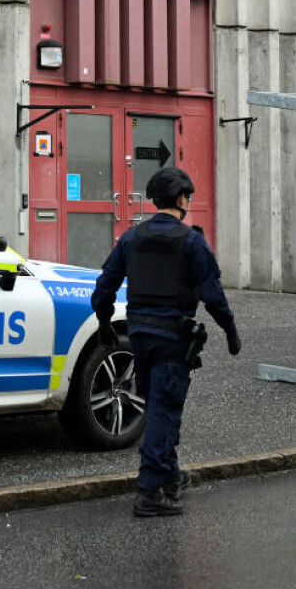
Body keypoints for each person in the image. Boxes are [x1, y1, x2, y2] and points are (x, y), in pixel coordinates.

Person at [90, 166, 240, 517]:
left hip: (140, 337)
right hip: (173, 338)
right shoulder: (191, 241)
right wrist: (230, 330)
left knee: (158, 406)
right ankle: (149, 493)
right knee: (164, 409)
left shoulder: (131, 238)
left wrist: (104, 323)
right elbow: (213, 295)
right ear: (181, 198)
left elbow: (104, 287)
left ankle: (170, 476)